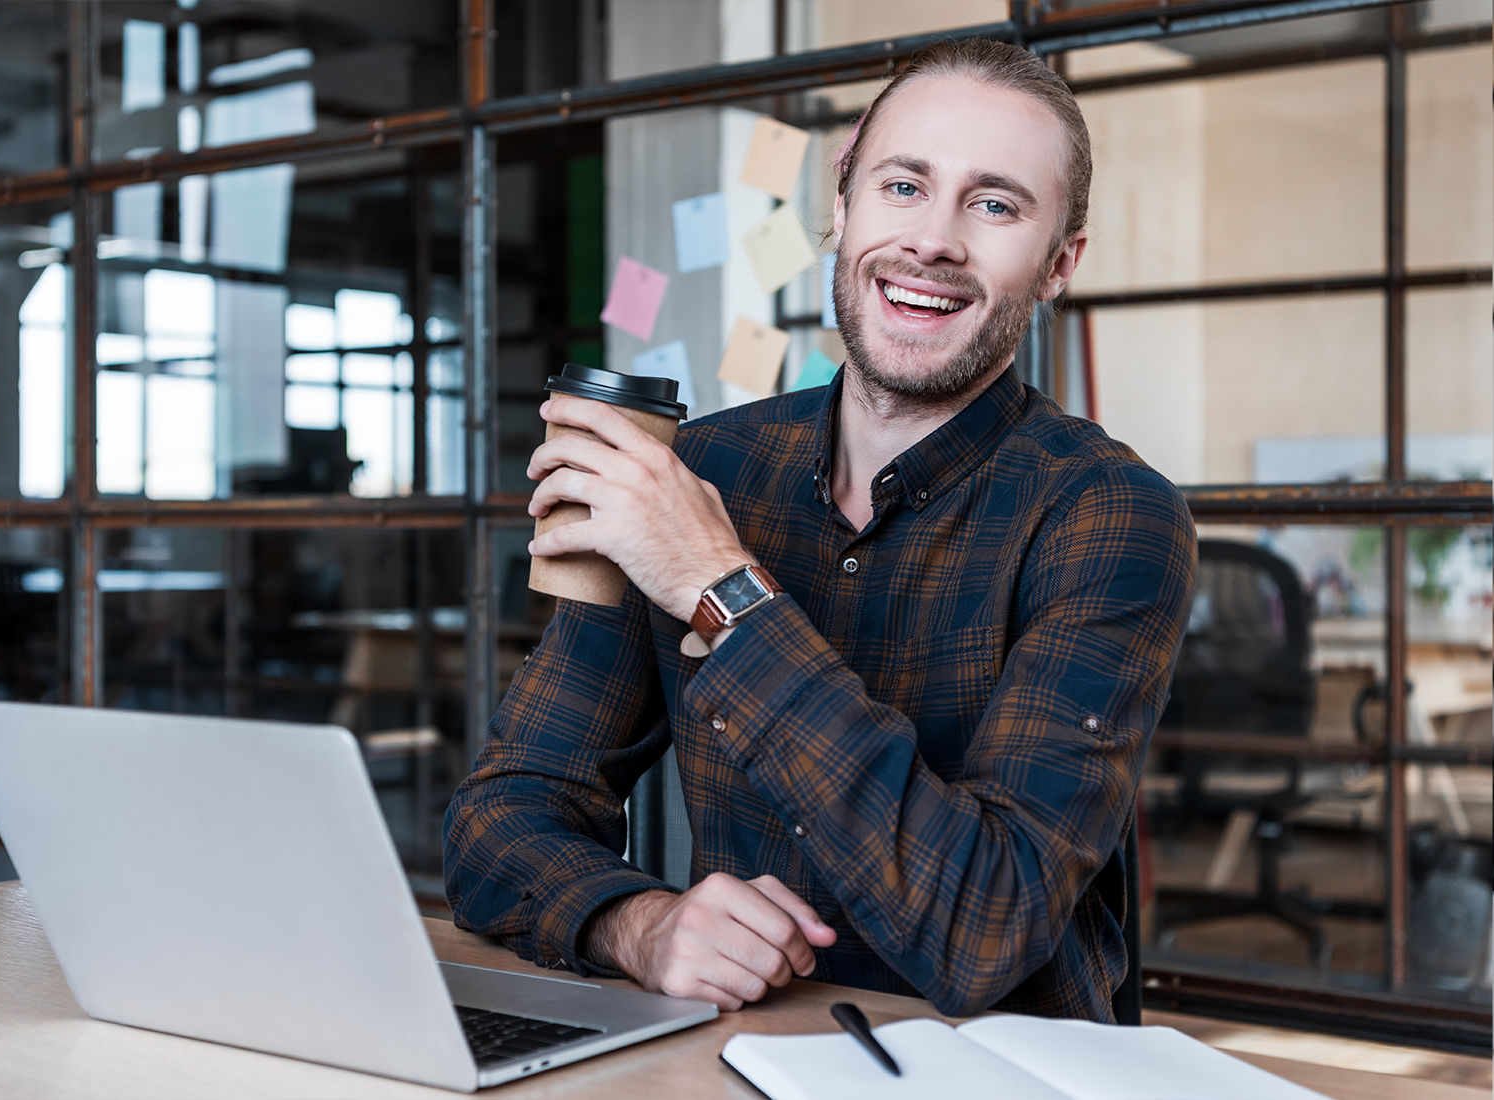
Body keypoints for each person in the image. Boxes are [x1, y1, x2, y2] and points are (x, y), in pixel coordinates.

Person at [444, 38, 1196, 1022]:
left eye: (995, 204)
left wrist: (722, 584)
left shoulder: (1111, 514)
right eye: (903, 185)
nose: (932, 239)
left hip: (999, 1075)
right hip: (732, 1061)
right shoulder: (695, 472)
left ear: (1059, 265)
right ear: (840, 206)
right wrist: (638, 922)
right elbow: (502, 815)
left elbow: (984, 928)